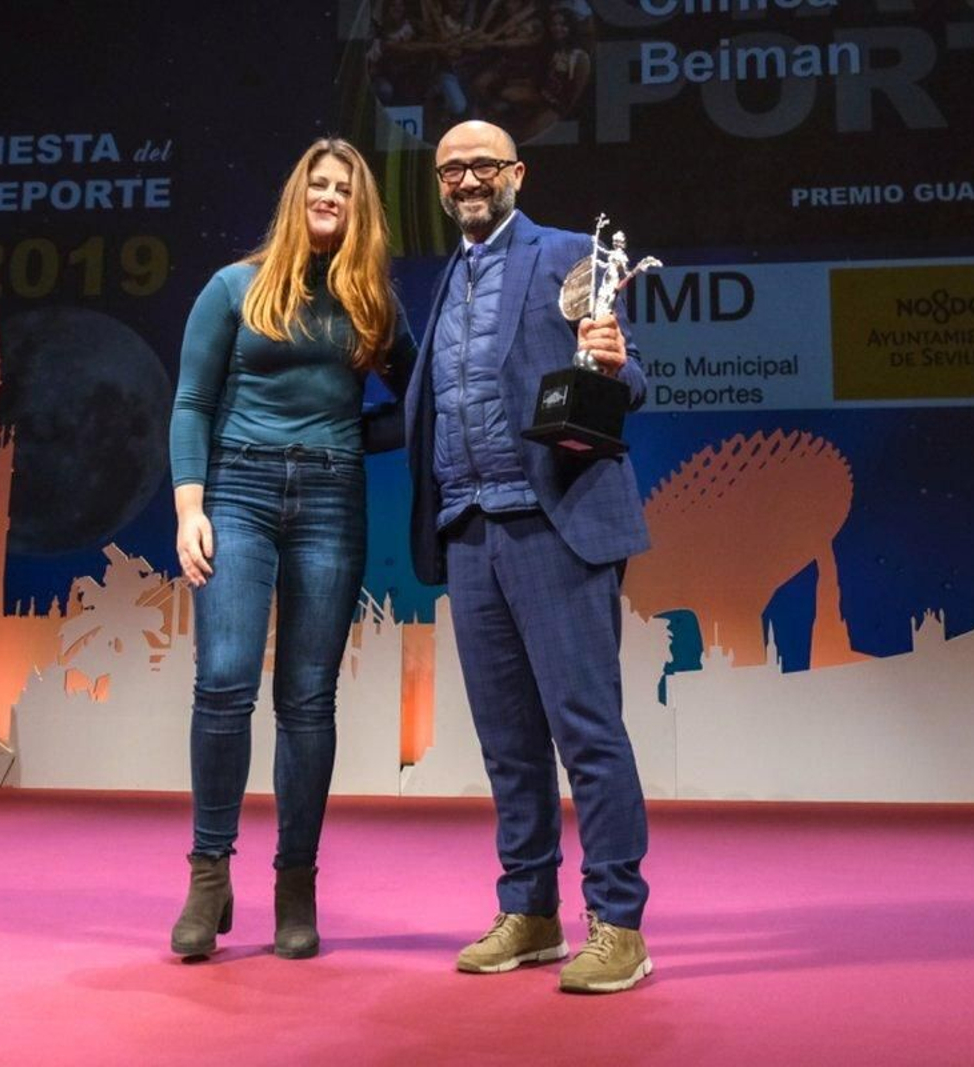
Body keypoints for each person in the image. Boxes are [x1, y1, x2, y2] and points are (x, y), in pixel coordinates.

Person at [402, 120, 653, 993]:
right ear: (439, 186)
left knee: (586, 732)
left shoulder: (563, 257)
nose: (468, 180)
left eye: (484, 165)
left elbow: (623, 375)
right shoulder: (446, 282)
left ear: (517, 172)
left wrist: (617, 363)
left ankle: (617, 923)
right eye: (452, 169)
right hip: (470, 529)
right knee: (508, 743)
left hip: (555, 523)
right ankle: (532, 910)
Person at [168, 137, 416, 960]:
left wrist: (355, 434)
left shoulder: (372, 301)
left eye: (344, 188)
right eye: (318, 183)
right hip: (235, 490)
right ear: (296, 194)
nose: (330, 197)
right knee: (225, 680)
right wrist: (190, 508)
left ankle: (295, 881)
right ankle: (209, 876)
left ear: (360, 207)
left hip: (331, 498)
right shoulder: (232, 287)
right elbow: (193, 401)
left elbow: (419, 402)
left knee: (308, 700)